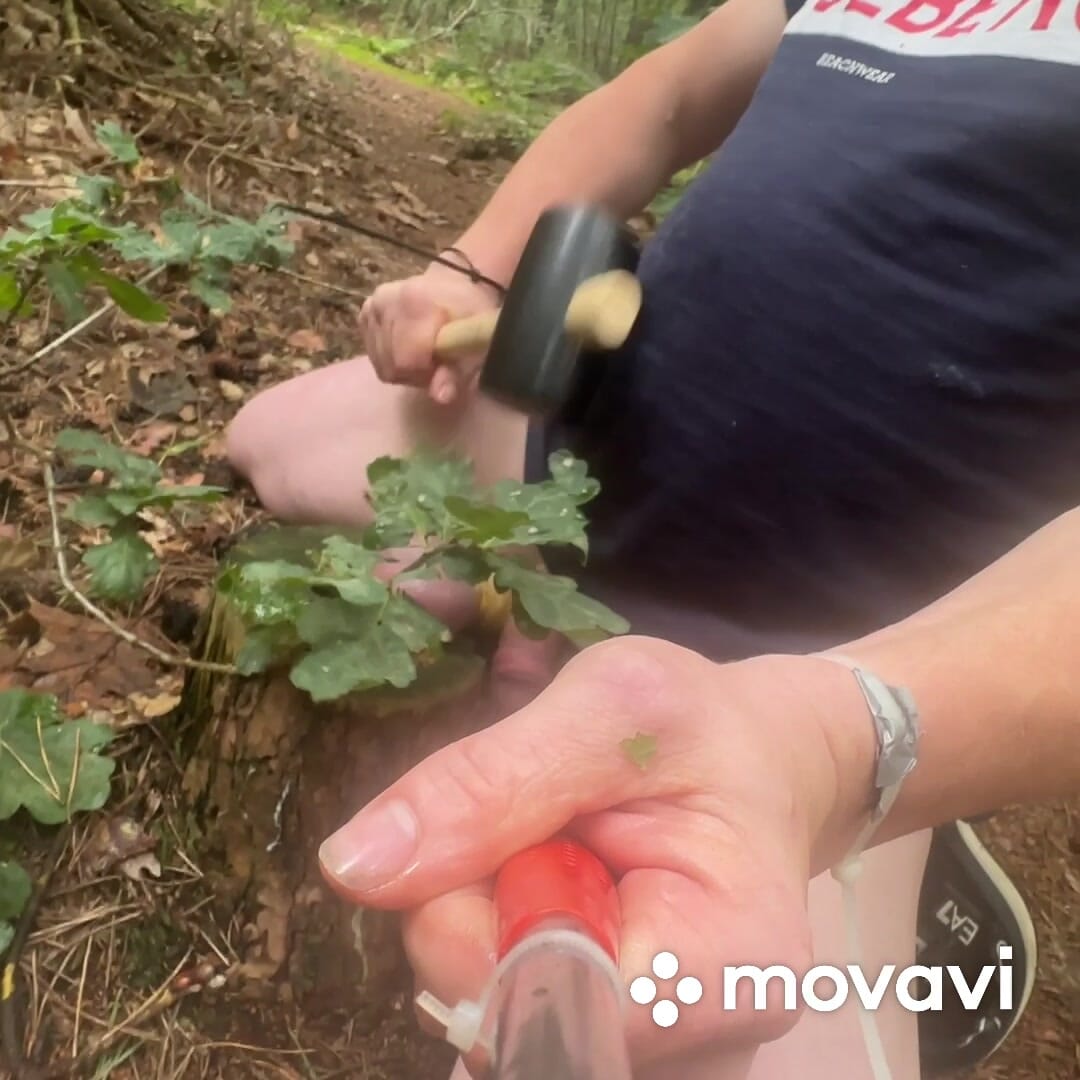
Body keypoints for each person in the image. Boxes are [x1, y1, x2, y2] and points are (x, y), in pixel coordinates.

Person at [226, 0, 1080, 1070]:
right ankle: (522, 585)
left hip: (818, 656)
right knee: (266, 441)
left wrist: (846, 734)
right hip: (575, 456)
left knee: (663, 1028)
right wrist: (469, 266)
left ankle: (897, 805)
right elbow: (666, 95)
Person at [315, 502, 1080, 1080]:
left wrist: (829, 744)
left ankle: (897, 805)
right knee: (276, 448)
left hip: (841, 612)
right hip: (620, 514)